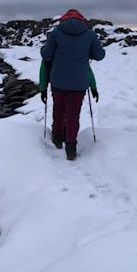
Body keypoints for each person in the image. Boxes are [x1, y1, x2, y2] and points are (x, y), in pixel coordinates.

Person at [39, 9, 105, 160]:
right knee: (73, 115)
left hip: (58, 81)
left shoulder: (55, 33)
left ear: (64, 19)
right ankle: (71, 148)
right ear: (81, 20)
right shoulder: (89, 35)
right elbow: (99, 55)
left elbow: (46, 55)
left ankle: (57, 137)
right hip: (79, 83)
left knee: (59, 110)